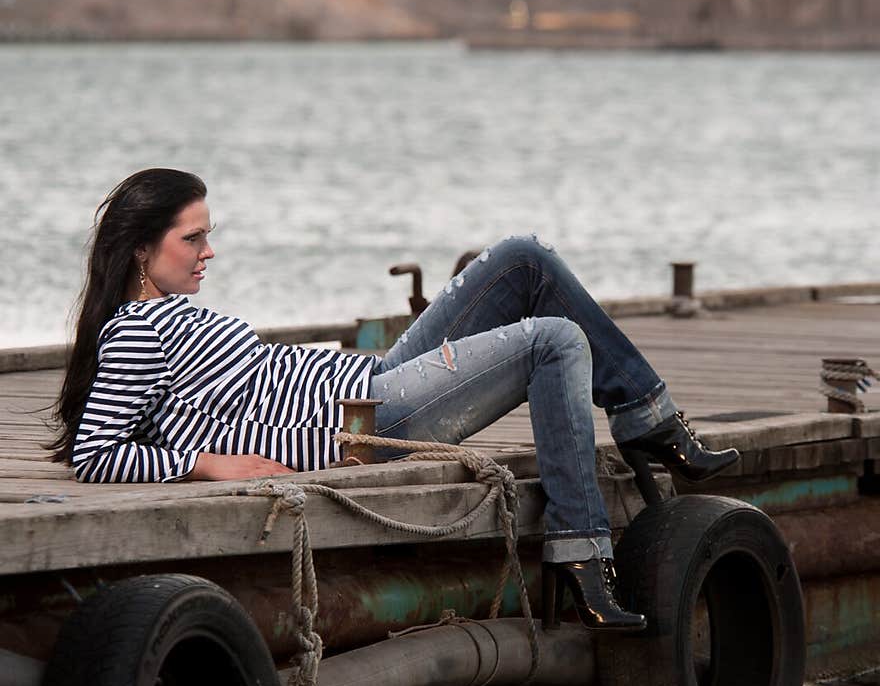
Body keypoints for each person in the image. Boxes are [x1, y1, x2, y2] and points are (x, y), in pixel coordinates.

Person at [51, 168, 739, 635]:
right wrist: (206, 465)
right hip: (366, 424)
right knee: (551, 341)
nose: (210, 251)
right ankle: (583, 554)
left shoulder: (169, 312)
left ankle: (650, 417)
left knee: (523, 257)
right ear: (143, 248)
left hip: (366, 381)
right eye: (192, 238)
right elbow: (98, 452)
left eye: (208, 233)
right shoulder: (135, 331)